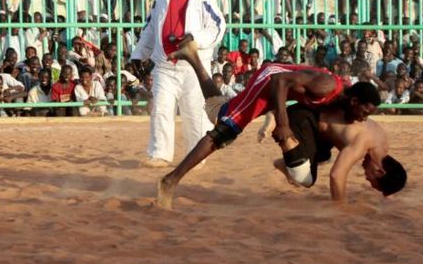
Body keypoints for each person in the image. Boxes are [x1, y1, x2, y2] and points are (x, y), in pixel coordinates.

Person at [155, 37, 380, 210]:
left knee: (220, 112)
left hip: (277, 88)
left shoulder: (342, 97)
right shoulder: (327, 86)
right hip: (270, 81)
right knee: (225, 131)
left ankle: (191, 56)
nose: (363, 118)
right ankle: (170, 181)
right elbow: (280, 81)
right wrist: (282, 123)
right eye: (364, 112)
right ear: (354, 101)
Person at [130, 0, 226, 167]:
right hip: (164, 66)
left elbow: (218, 26)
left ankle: (197, 157)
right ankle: (160, 154)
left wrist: (194, 38)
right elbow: (149, 30)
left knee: (194, 112)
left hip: (192, 66)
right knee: (161, 109)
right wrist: (138, 54)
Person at [258, 104, 406, 200]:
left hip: (321, 130)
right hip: (303, 118)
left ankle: (287, 162)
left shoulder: (383, 144)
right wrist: (340, 208)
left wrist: (390, 190)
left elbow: (394, 175)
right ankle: (277, 118)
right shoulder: (362, 145)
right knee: (305, 179)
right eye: (370, 179)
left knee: (325, 157)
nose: (366, 177)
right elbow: (336, 175)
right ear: (380, 172)